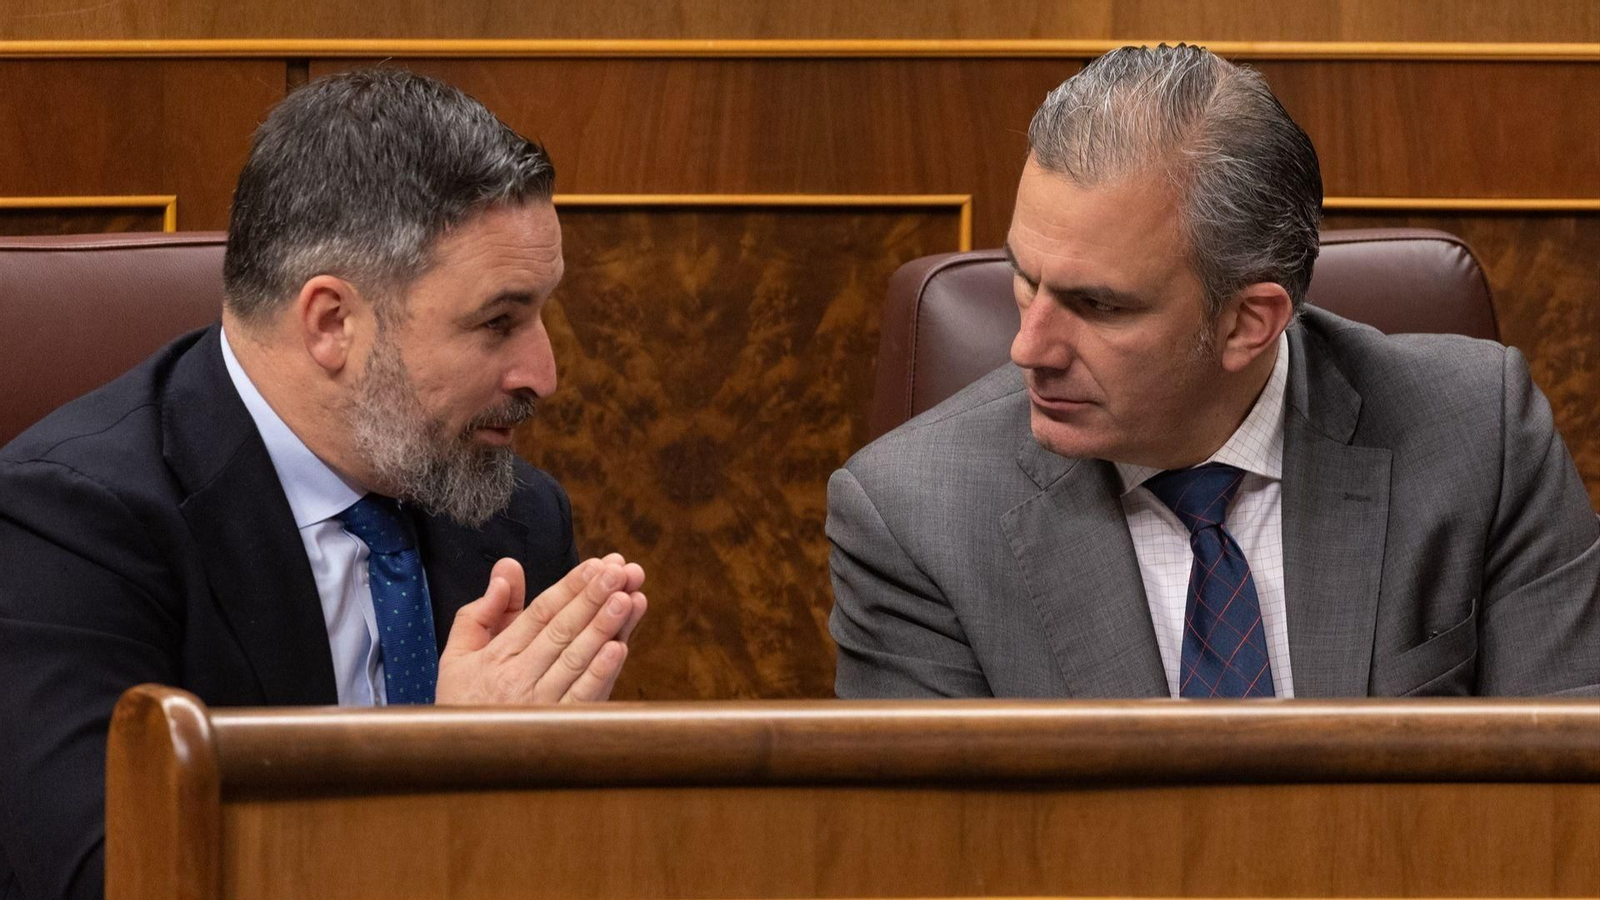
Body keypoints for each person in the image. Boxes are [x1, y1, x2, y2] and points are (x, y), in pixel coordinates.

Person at [0, 69, 648, 900]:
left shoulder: (513, 518)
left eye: (542, 314)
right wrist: (448, 766)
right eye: (499, 321)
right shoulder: (67, 529)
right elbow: (121, 882)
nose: (544, 373)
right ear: (332, 323)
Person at [828, 44, 1600, 700]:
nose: (1029, 347)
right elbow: (939, 859)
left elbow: (1566, 799)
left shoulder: (1481, 437)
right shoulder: (913, 517)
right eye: (1027, 279)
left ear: (1247, 322)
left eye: (1096, 304)